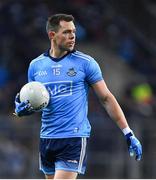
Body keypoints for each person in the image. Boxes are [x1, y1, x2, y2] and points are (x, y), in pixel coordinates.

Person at [14, 13, 142, 179]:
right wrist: (22, 111)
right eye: (66, 32)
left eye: (73, 31)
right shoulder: (35, 66)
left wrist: (128, 132)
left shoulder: (85, 63)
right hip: (47, 138)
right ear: (52, 35)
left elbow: (106, 98)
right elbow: (37, 103)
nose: (73, 36)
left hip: (73, 138)